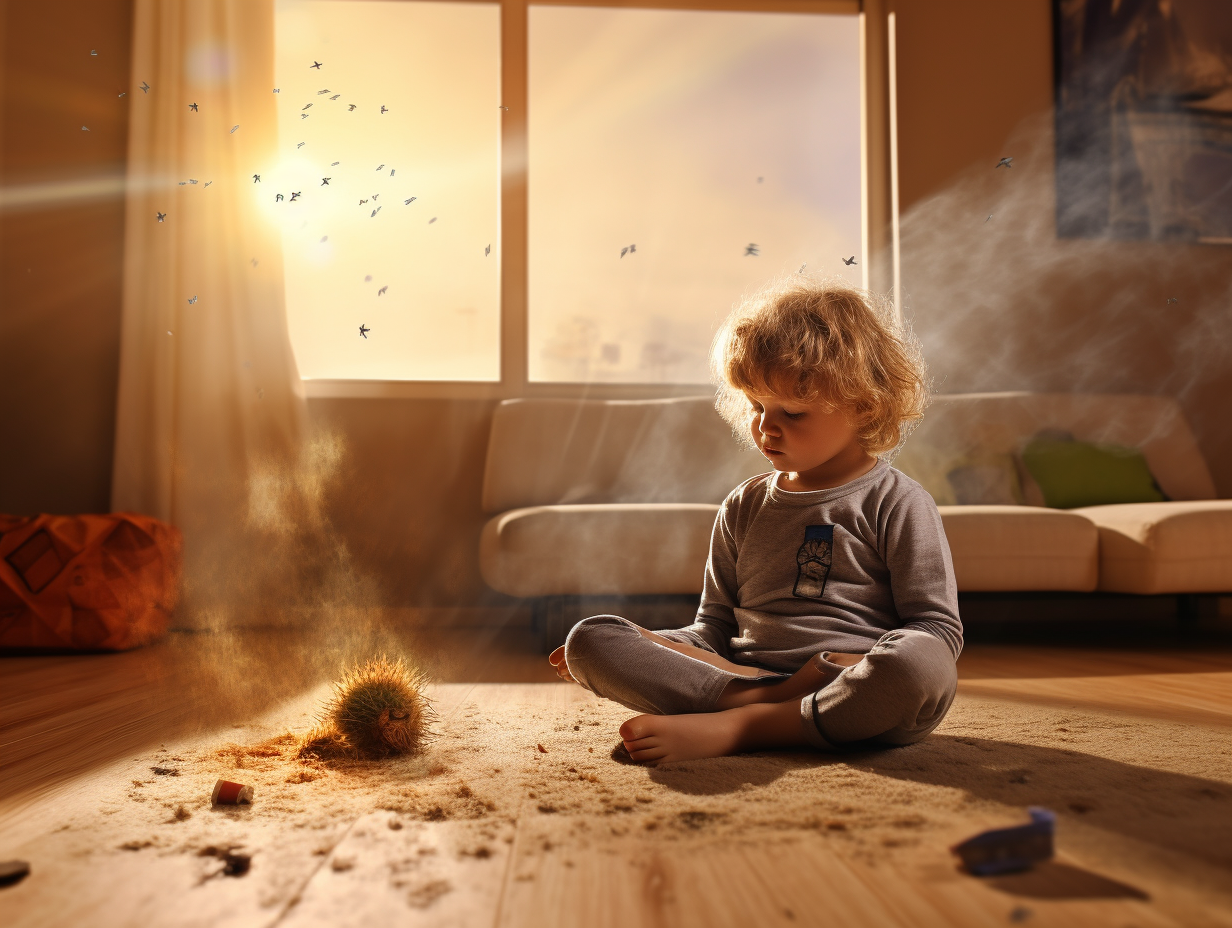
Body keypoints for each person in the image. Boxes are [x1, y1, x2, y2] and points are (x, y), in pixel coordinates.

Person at [548, 278, 962, 765]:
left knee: (920, 662)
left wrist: (865, 665)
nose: (766, 427)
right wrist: (647, 648)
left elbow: (937, 628)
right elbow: (714, 627)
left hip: (853, 689)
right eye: (756, 406)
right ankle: (760, 704)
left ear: (863, 404)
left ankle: (744, 726)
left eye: (791, 411)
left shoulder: (899, 501)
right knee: (591, 638)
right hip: (742, 676)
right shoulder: (743, 505)